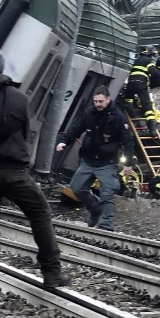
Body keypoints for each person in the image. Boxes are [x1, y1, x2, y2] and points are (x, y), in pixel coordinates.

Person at [0, 46, 70, 317]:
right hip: (14, 172)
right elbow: (24, 132)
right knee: (40, 214)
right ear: (1, 67)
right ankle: (52, 273)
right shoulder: (18, 98)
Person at [57, 85, 135, 232]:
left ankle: (106, 225)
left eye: (101, 101)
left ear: (108, 99)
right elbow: (76, 128)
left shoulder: (118, 117)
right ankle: (95, 207)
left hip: (107, 162)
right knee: (77, 188)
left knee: (107, 192)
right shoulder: (89, 113)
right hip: (88, 159)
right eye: (96, 101)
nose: (98, 104)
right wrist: (64, 142)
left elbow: (128, 141)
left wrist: (128, 163)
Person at [124, 45, 160, 136]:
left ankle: (135, 118)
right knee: (147, 106)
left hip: (130, 84)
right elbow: (154, 73)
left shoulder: (135, 61)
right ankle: (152, 130)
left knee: (128, 100)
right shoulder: (148, 61)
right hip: (141, 84)